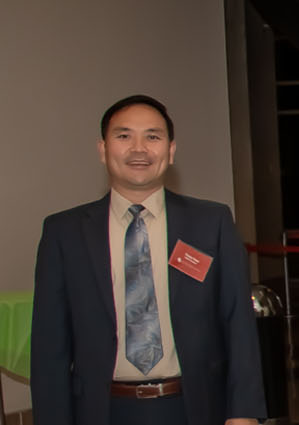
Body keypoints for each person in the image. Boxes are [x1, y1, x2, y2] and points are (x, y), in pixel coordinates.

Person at [32, 95, 266, 425]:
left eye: (153, 137)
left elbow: (237, 323)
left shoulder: (211, 223)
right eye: (124, 136)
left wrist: (244, 413)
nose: (139, 149)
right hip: (101, 410)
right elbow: (49, 346)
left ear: (170, 151)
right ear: (102, 149)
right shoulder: (64, 232)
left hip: (194, 406)